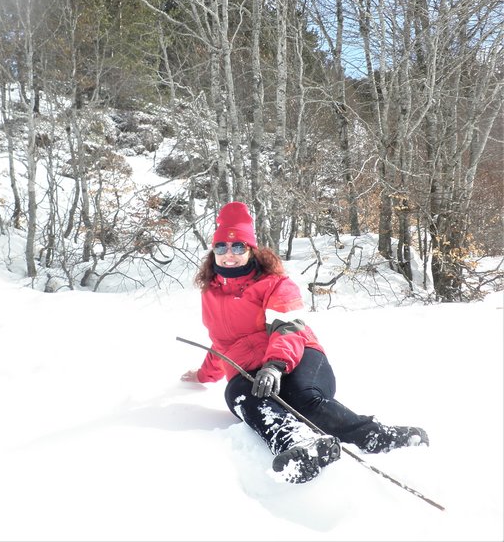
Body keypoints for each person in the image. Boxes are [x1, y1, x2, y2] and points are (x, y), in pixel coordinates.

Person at [181, 201, 428, 483]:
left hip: (298, 356)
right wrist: (203, 374)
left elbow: (288, 327)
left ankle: (374, 436)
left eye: (238, 247)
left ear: (251, 250)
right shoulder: (210, 295)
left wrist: (275, 366)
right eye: (222, 247)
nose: (229, 255)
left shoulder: (275, 284)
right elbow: (222, 344)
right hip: (250, 373)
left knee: (300, 396)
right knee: (237, 395)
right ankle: (298, 444)